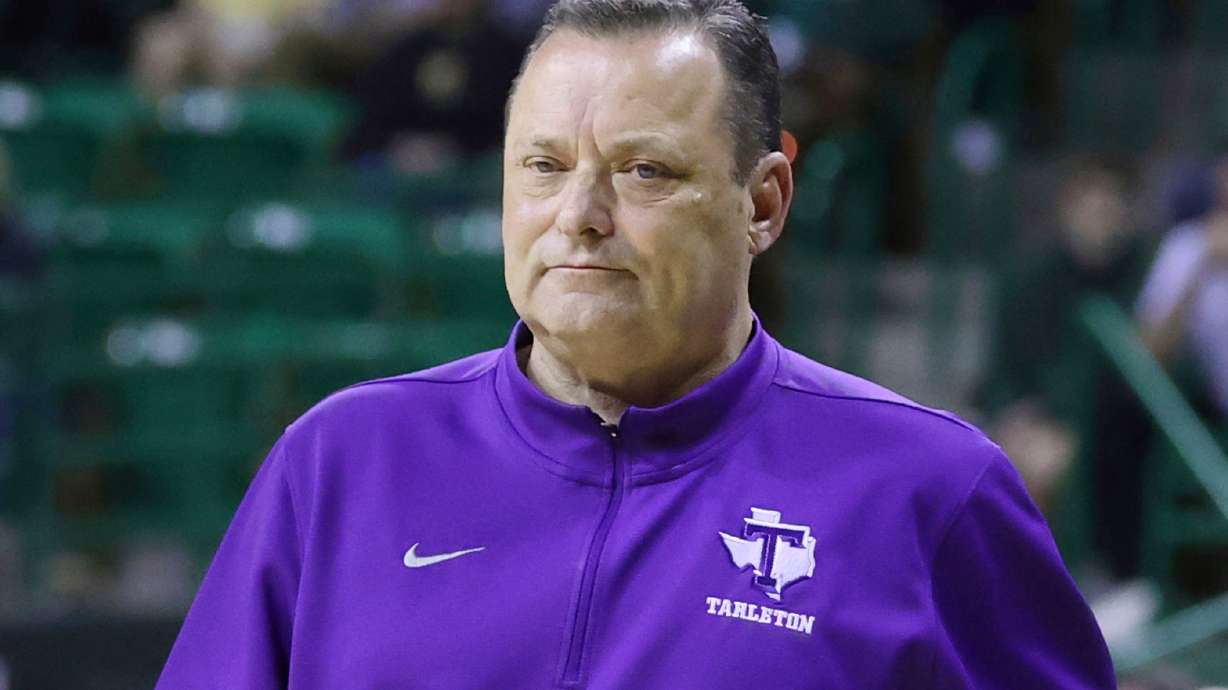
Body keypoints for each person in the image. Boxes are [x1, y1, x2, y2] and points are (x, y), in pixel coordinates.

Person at [156, 1, 1114, 688]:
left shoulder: (932, 490)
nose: (578, 215)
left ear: (765, 202)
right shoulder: (340, 462)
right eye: (543, 166)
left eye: (643, 170)